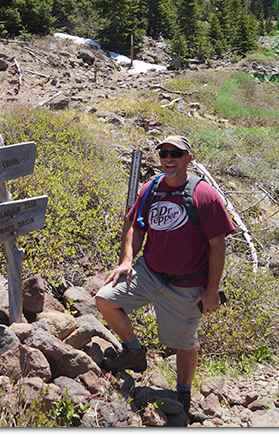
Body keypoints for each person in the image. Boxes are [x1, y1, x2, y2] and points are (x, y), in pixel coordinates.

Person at [95, 135, 235, 418]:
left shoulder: (203, 194)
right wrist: (127, 260)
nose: (169, 158)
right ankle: (134, 352)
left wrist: (211, 290)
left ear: (188, 159)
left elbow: (217, 244)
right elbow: (136, 226)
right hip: (150, 271)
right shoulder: (151, 189)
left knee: (184, 344)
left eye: (176, 153)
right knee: (105, 299)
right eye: (164, 153)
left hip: (187, 283)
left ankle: (182, 395)